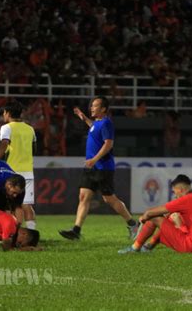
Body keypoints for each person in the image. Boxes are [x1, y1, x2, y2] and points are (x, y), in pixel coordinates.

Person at [59, 96, 139, 240]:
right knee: (83, 197)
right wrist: (84, 118)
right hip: (91, 167)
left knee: (109, 199)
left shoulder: (107, 123)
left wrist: (94, 159)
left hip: (103, 167)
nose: (91, 108)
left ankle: (133, 224)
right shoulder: (97, 123)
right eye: (91, 105)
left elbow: (108, 144)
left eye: (95, 106)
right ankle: (76, 231)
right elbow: (94, 129)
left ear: (103, 109)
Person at [119, 174, 192, 254]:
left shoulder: (186, 200)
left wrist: (143, 218)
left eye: (175, 192)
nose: (175, 195)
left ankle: (135, 248)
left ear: (180, 190)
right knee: (170, 219)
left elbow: (150, 212)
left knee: (156, 217)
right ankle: (148, 247)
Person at [0, 101, 37, 229]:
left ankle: (9, 233)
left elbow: (4, 145)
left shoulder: (6, 128)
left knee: (10, 205)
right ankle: (31, 234)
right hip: (28, 171)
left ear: (7, 113)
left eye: (3, 113)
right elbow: (34, 149)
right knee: (26, 205)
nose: (3, 115)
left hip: (11, 172)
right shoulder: (30, 129)